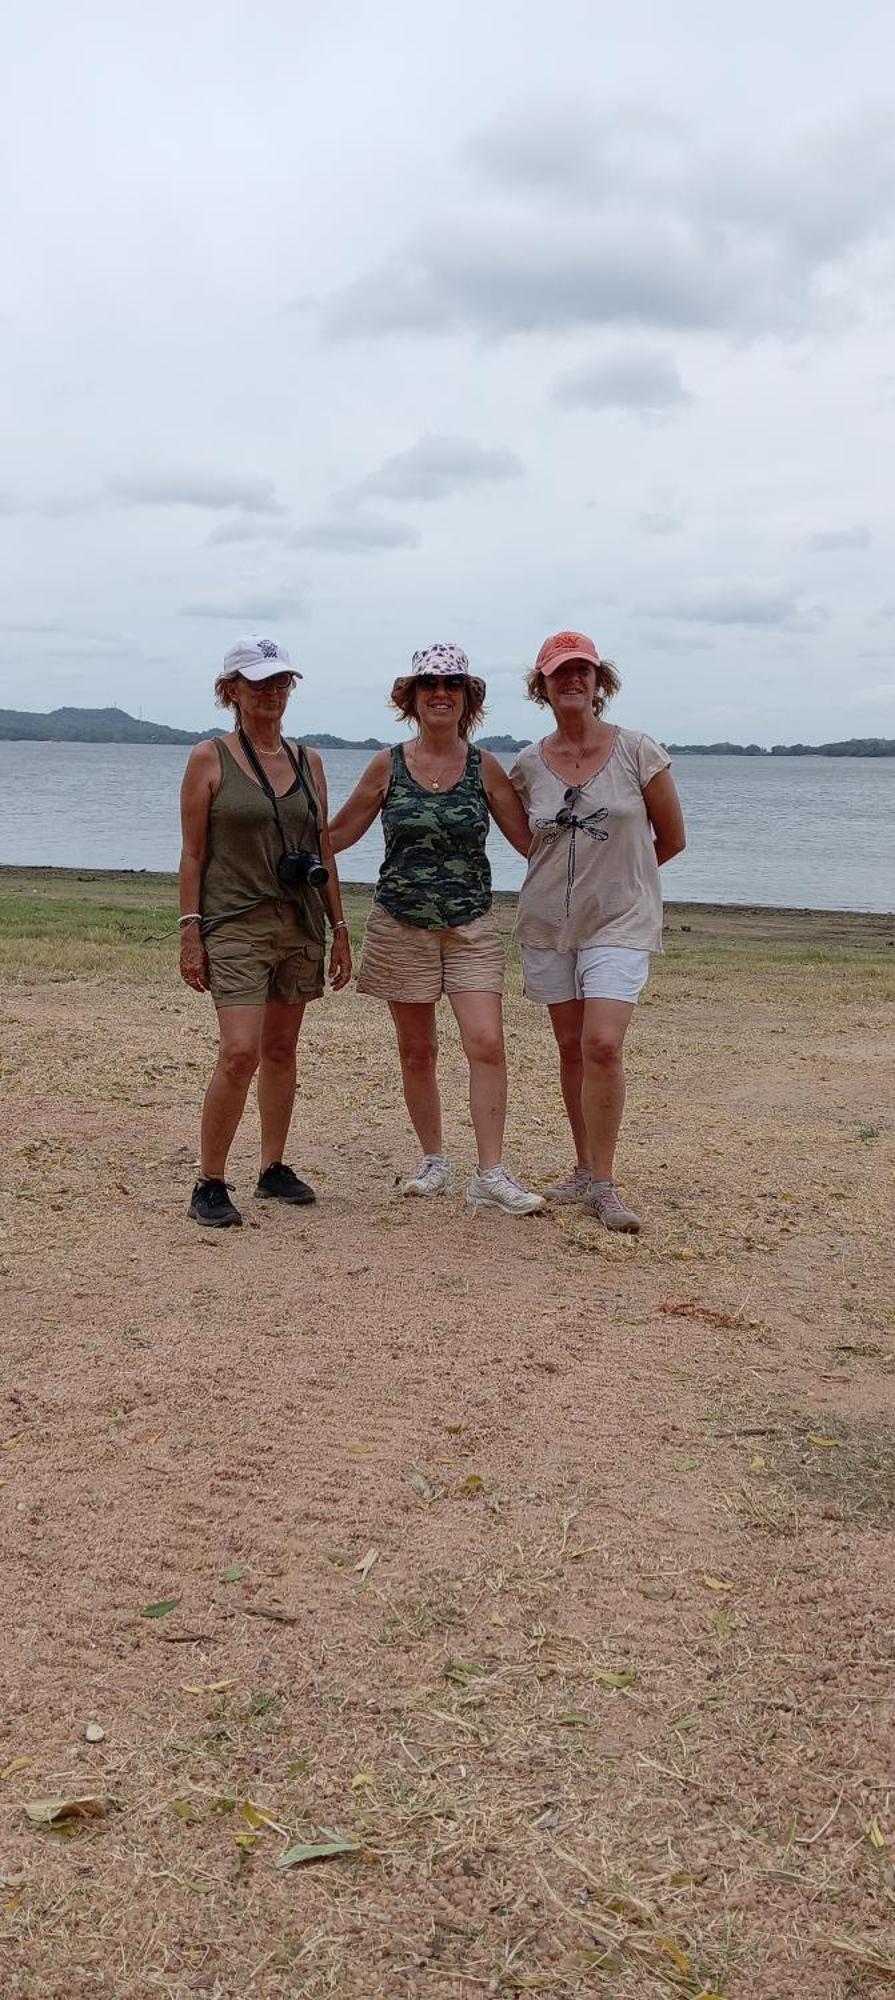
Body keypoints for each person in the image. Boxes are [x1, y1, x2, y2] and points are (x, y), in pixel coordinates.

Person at [328, 644, 544, 1216]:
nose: (440, 693)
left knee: (487, 1043)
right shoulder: (388, 764)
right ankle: (433, 1161)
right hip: (400, 925)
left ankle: (491, 1173)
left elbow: (531, 844)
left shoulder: (485, 766)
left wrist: (605, 846)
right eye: (429, 685)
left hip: (471, 925)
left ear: (469, 697)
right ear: (412, 698)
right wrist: (273, 844)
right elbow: (339, 833)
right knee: (418, 1050)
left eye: (452, 684)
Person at [511, 630, 686, 1232]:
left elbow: (673, 837)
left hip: (621, 921)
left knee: (603, 1044)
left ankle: (605, 1185)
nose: (572, 680)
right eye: (560, 672)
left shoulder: (639, 750)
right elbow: (528, 845)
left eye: (582, 671)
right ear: (542, 685)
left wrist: (621, 882)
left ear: (599, 681)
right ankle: (583, 1166)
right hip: (550, 923)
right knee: (569, 1046)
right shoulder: (529, 764)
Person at [178, 635, 351, 1227]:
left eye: (281, 683)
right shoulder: (210, 758)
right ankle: (210, 1180)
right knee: (239, 1051)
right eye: (258, 684)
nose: (272, 693)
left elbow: (321, 845)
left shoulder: (310, 762)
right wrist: (190, 931)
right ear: (231, 691)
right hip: (233, 925)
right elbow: (193, 855)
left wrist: (340, 926)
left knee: (281, 1049)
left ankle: (272, 1168)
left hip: (298, 923)